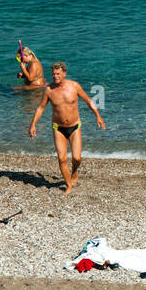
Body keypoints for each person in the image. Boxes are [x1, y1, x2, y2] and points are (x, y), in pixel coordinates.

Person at [28, 62, 105, 195]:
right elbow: (41, 107)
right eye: (53, 74)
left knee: (77, 158)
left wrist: (98, 116)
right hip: (58, 128)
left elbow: (88, 100)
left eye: (58, 74)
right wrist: (33, 124)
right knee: (62, 158)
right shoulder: (49, 90)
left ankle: (74, 172)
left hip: (75, 126)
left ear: (64, 73)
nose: (55, 76)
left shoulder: (74, 86)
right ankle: (69, 184)